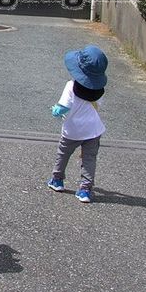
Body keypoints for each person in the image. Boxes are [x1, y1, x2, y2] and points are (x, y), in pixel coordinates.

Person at [47, 45, 108, 203]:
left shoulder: (71, 86)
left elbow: (62, 108)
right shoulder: (100, 90)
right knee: (89, 159)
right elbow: (97, 106)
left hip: (72, 131)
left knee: (63, 153)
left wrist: (55, 110)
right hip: (93, 130)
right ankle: (85, 190)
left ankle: (57, 180)